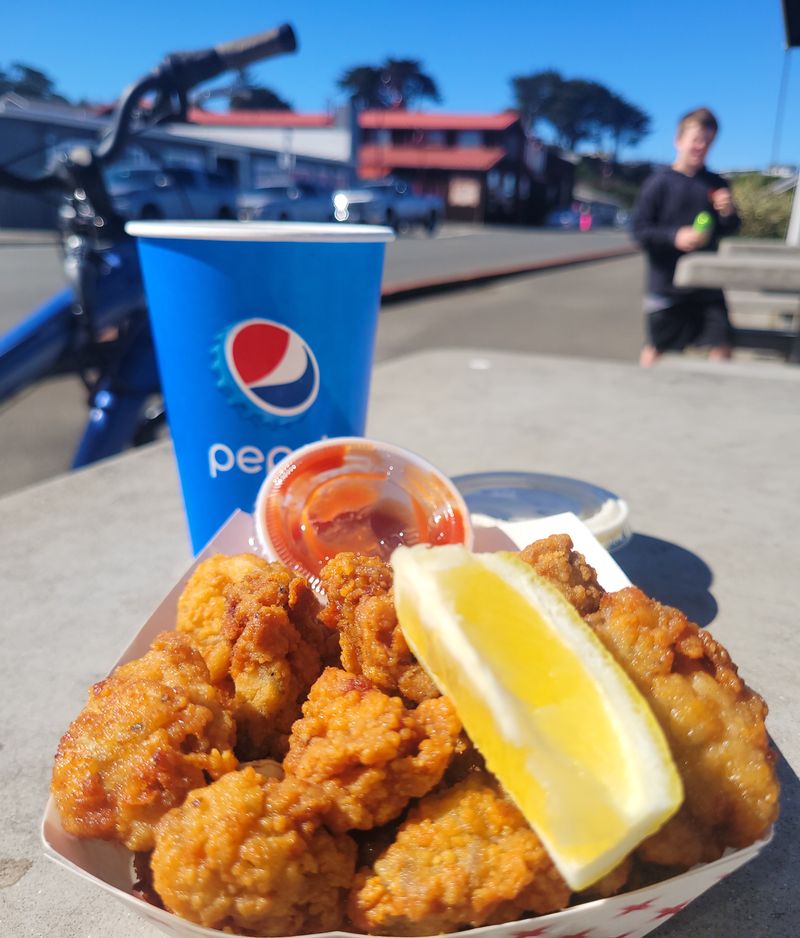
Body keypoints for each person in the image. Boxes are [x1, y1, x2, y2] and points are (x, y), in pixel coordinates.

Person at [632, 107, 740, 367]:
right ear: (678, 140)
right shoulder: (659, 182)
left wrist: (727, 214)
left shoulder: (716, 183)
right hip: (666, 284)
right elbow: (639, 230)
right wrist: (674, 236)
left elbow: (730, 228)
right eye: (696, 139)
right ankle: (642, 395)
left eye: (708, 141)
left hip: (707, 284)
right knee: (658, 348)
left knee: (722, 344)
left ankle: (711, 399)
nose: (701, 146)